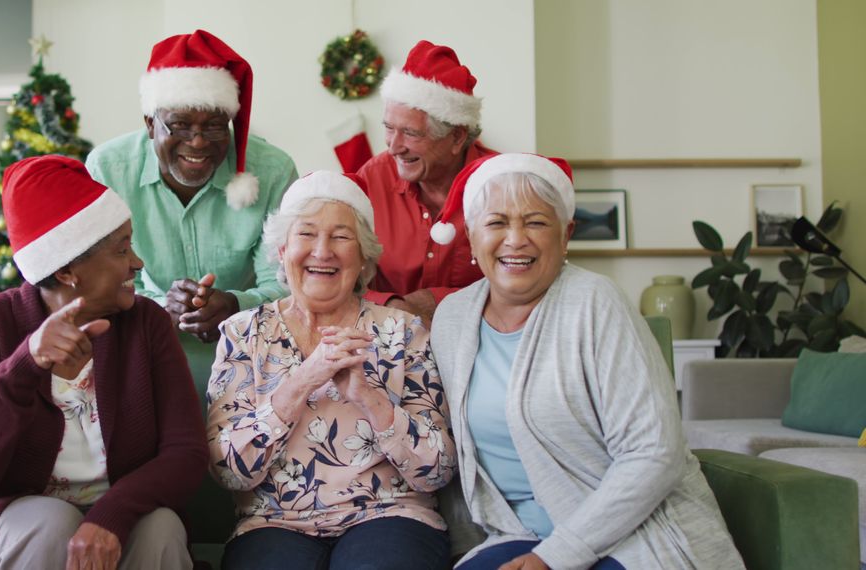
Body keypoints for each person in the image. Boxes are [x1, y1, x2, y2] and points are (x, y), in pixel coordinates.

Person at [428, 153, 745, 569]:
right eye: (497, 222)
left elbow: (654, 453)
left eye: (536, 222)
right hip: (517, 535)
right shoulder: (453, 317)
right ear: (471, 236)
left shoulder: (596, 301)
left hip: (633, 535)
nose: (516, 239)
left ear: (566, 235)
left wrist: (556, 556)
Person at [0, 156, 208, 570]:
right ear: (68, 269)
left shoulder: (147, 324)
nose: (137, 263)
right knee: (52, 522)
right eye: (122, 249)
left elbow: (186, 455)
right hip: (4, 513)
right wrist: (24, 366)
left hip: (117, 507)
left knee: (161, 528)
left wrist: (110, 514)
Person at [205, 171, 457, 570]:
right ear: (282, 250)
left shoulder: (403, 332)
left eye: (341, 237)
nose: (322, 251)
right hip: (273, 522)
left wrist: (369, 398)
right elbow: (228, 471)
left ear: (364, 258)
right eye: (306, 234)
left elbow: (438, 469)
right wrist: (304, 378)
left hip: (389, 514)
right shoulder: (244, 333)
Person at [85, 30, 298, 389]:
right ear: (150, 123)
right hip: (141, 353)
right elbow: (99, 281)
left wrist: (234, 303)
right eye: (180, 125)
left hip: (256, 358)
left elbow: (288, 284)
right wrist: (157, 308)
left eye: (214, 126)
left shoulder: (273, 171)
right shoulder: (108, 170)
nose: (197, 142)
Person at [356, 40, 497, 323]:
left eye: (410, 133)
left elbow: (527, 283)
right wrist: (392, 302)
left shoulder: (501, 184)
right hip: (389, 342)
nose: (394, 146)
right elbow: (340, 272)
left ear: (457, 137)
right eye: (389, 128)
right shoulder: (372, 179)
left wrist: (434, 301)